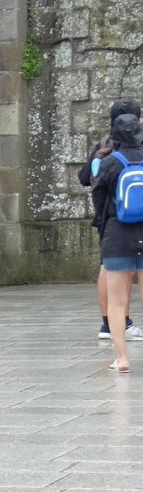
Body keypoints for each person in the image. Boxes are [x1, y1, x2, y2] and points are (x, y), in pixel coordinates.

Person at [80, 99, 143, 342]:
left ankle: (110, 323)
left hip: (112, 221)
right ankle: (123, 324)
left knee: (109, 268)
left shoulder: (104, 146)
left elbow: (85, 178)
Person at [92, 112, 143, 372]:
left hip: (117, 235)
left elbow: (98, 199)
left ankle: (121, 359)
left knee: (117, 301)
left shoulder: (111, 162)